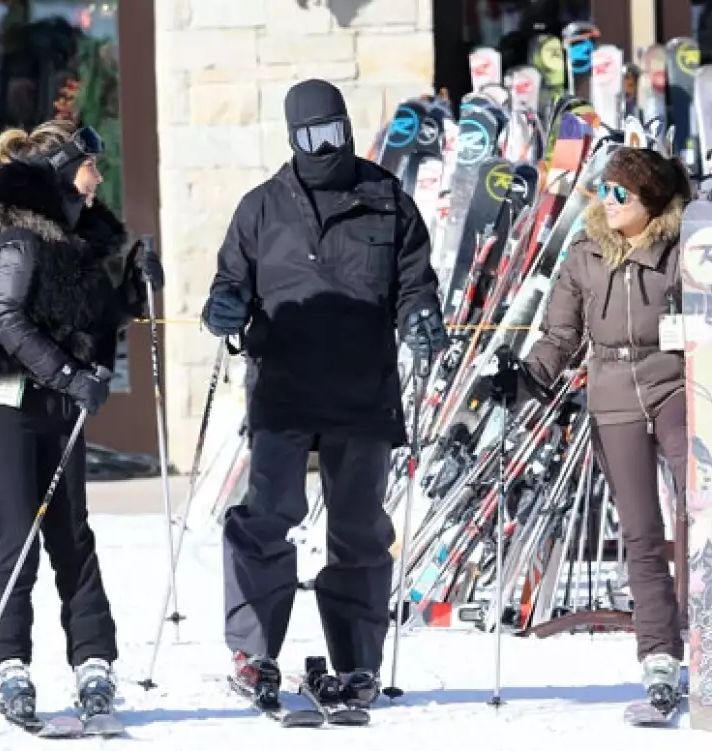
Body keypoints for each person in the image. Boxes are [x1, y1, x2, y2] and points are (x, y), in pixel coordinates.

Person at [484, 146, 712, 701]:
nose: (608, 199)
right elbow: (558, 338)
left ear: (649, 200)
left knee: (700, 512)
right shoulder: (584, 255)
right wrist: (523, 379)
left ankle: (706, 632)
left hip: (677, 387)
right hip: (614, 395)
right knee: (642, 534)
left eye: (620, 192)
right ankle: (660, 653)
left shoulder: (683, 252)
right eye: (605, 188)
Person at [201, 78, 446, 707]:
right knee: (267, 519)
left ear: (346, 126)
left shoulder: (386, 200)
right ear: (292, 139)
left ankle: (358, 659)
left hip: (362, 393)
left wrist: (421, 318)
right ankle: (254, 652)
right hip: (282, 389)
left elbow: (416, 282)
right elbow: (229, 284)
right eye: (310, 137)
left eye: (333, 132)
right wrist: (224, 308)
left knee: (359, 529)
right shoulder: (261, 208)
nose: (323, 146)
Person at [0, 119, 164, 721]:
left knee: (71, 531)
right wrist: (71, 376)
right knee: (18, 532)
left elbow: (85, 322)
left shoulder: (76, 238)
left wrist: (134, 291)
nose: (100, 175)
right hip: (0, 397)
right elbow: (5, 318)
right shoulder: (19, 232)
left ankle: (94, 659)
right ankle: (5, 661)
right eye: (93, 164)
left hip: (52, 396)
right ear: (64, 169)